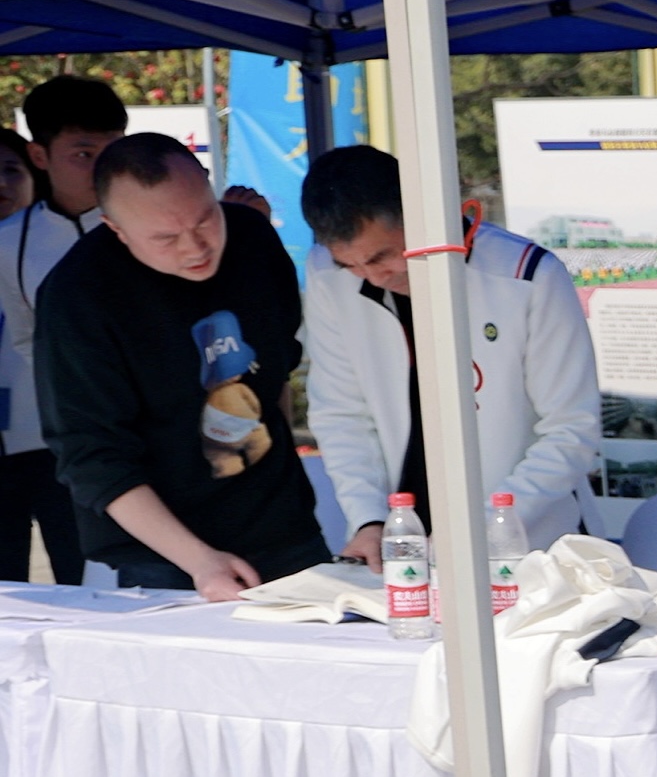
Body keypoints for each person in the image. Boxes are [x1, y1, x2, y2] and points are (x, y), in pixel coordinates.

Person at [34, 132, 325, 596]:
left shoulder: (252, 240)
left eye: (206, 219)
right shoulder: (77, 297)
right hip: (162, 555)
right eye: (166, 238)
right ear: (115, 228)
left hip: (284, 529)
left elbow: (276, 372)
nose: (195, 248)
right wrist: (199, 561)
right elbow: (92, 457)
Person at [299, 145, 602, 558]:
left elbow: (572, 430)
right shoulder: (327, 276)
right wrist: (368, 519)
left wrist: (483, 530)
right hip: (404, 544)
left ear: (422, 214)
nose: (372, 277)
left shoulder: (527, 276)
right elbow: (342, 413)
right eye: (350, 265)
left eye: (382, 256)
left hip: (533, 546)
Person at [0, 76, 127, 585]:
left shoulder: (143, 224)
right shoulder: (10, 241)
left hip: (137, 441)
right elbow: (27, 337)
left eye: (114, 150)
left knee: (105, 580)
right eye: (83, 152)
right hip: (56, 439)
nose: (102, 166)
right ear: (39, 154)